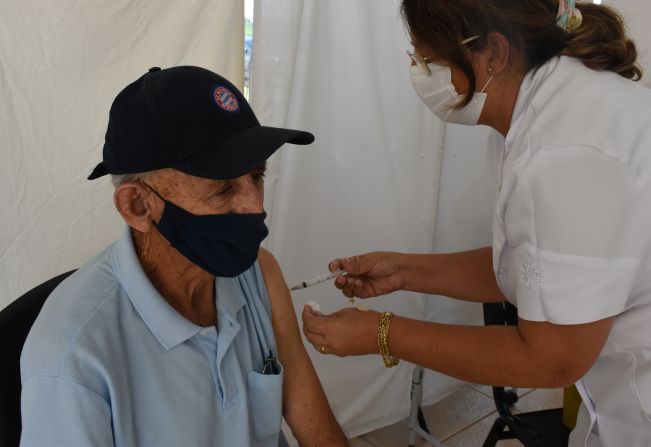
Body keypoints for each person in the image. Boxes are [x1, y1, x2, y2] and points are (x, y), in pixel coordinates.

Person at [302, 1, 651, 445]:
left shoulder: (565, 154)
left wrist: (383, 333)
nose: (418, 71)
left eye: (427, 59)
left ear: (495, 53)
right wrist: (405, 271)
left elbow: (552, 360)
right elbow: (537, 270)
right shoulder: (539, 117)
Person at [20, 66, 348, 447]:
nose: (254, 205)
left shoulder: (259, 272)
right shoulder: (71, 358)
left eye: (256, 176)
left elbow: (316, 427)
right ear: (138, 206)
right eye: (222, 188)